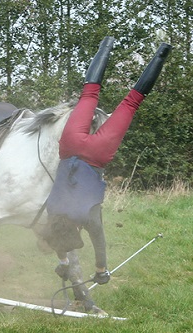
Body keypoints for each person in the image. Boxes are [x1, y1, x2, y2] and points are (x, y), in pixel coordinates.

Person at [44, 37, 172, 285]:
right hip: (70, 147)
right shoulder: (53, 212)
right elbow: (58, 240)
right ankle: (106, 44)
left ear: (75, 231)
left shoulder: (87, 218)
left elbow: (98, 242)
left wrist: (101, 271)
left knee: (132, 101)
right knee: (89, 92)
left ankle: (163, 52)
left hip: (96, 155)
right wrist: (62, 264)